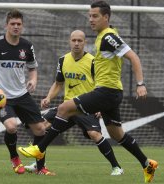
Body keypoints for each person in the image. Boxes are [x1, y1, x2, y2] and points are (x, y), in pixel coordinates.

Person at [18, 1, 158, 183]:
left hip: (107, 91)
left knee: (64, 108)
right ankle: (147, 164)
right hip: (112, 93)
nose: (90, 19)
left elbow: (133, 57)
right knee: (117, 134)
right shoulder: (102, 37)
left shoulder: (108, 37)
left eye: (95, 16)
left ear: (106, 17)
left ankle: (40, 148)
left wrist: (140, 83)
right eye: (90, 15)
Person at [24, 30, 124, 175]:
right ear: (69, 41)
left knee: (95, 135)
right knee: (41, 127)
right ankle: (39, 164)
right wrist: (48, 98)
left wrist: (99, 106)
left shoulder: (93, 61)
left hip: (86, 107)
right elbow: (58, 83)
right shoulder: (63, 60)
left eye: (80, 41)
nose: (76, 43)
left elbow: (101, 84)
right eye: (74, 40)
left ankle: (117, 167)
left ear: (85, 42)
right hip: (67, 108)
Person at [0, 9, 55, 176]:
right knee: (11, 126)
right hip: (0, 97)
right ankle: (15, 158)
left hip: (22, 95)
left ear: (22, 26)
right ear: (6, 25)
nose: (16, 27)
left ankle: (40, 167)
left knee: (40, 130)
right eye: (12, 24)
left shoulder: (27, 46)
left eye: (19, 24)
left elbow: (32, 68)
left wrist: (33, 80)